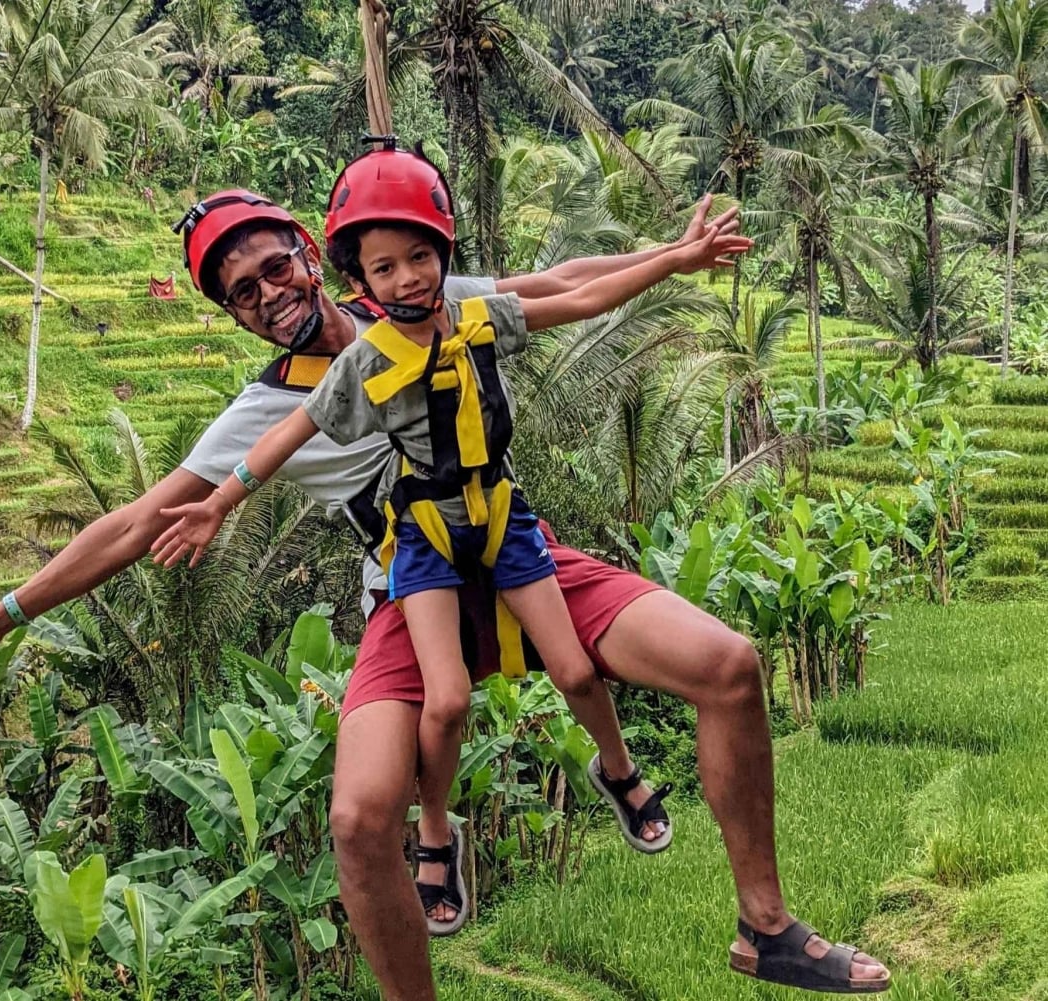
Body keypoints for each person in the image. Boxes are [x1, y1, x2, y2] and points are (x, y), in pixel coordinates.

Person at [0, 183, 891, 996]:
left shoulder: (415, 296)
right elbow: (132, 522)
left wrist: (663, 254)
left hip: (512, 548)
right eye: (240, 291)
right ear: (233, 314)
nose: (266, 291)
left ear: (304, 249)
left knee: (727, 664)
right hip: (411, 590)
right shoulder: (264, 405)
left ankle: (767, 929)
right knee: (360, 815)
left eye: (273, 264)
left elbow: (556, 282)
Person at [150, 143, 722, 935]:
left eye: (420, 258)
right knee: (445, 701)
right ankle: (434, 832)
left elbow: (581, 295)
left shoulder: (479, 317)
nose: (408, 279)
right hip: (421, 536)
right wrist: (220, 502)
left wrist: (676, 259)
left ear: (441, 256)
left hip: (498, 515)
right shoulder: (361, 361)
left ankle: (617, 769)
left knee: (575, 670)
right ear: (362, 280)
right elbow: (288, 432)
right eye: (385, 269)